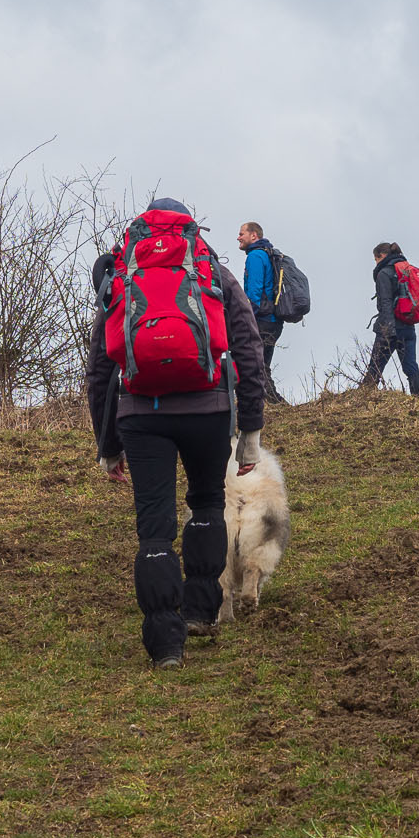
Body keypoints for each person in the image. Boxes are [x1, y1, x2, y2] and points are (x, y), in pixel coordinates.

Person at [86, 198, 268, 668]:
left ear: (139, 227)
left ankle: (166, 645)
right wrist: (250, 429)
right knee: (207, 503)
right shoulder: (210, 267)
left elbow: (102, 366)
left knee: (154, 531)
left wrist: (108, 446)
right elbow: (247, 347)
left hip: (141, 414)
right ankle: (201, 612)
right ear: (190, 225)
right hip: (208, 409)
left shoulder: (124, 272)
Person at [360, 241, 419, 395]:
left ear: (381, 256)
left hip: (390, 328)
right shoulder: (406, 270)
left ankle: (361, 400)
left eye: (375, 259)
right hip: (408, 326)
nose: (375, 263)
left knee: (375, 368)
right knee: (410, 367)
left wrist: (387, 329)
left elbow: (385, 302)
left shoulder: (384, 273)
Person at [237, 221, 287, 404]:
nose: (238, 237)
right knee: (261, 365)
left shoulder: (256, 256)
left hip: (262, 319)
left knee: (255, 366)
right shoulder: (267, 254)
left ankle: (276, 403)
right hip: (273, 320)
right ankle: (270, 403)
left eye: (241, 233)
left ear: (253, 236)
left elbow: (254, 293)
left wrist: (245, 318)